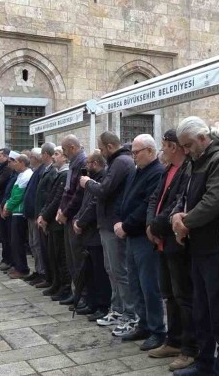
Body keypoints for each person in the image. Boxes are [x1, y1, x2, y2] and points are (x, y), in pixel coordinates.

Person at [172, 117, 219, 376]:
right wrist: (176, 216)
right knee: (201, 310)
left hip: (215, 247)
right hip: (198, 246)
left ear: (202, 138)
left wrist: (185, 222)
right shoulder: (195, 160)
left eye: (188, 145)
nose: (186, 151)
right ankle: (204, 363)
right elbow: (183, 195)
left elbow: (214, 200)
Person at [147, 129, 197, 372]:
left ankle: (189, 348)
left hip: (176, 243)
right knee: (169, 294)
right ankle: (174, 340)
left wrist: (156, 226)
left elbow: (178, 204)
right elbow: (154, 198)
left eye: (164, 145)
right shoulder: (167, 169)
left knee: (183, 297)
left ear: (173, 146)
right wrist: (150, 223)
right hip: (162, 242)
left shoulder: (186, 170)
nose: (162, 150)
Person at [80, 131, 137, 333]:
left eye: (102, 148)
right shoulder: (117, 162)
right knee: (111, 270)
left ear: (110, 146)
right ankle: (118, 309)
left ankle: (130, 314)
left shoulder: (121, 162)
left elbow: (105, 190)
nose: (101, 152)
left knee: (119, 271)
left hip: (114, 223)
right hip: (107, 223)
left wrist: (88, 183)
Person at [115, 134, 166, 349]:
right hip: (132, 235)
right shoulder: (138, 171)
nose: (133, 156)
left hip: (144, 237)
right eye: (132, 152)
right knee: (135, 282)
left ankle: (157, 329)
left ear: (150, 151)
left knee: (149, 285)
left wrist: (126, 225)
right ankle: (143, 323)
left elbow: (147, 205)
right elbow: (127, 199)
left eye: (137, 152)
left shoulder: (157, 172)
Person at [73, 151, 111, 319]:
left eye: (88, 163)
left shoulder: (101, 179)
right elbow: (84, 203)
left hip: (94, 232)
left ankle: (102, 306)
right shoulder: (89, 179)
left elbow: (95, 204)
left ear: (95, 163)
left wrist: (80, 222)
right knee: (89, 271)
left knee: (99, 273)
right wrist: (77, 219)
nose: (86, 166)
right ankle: (91, 302)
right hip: (87, 232)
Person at [57, 135, 87, 306]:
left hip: (75, 216)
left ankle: (84, 295)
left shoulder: (82, 163)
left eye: (64, 149)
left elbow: (78, 193)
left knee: (78, 259)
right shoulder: (74, 163)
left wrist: (66, 212)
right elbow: (67, 191)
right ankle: (77, 293)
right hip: (68, 216)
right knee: (71, 259)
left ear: (72, 147)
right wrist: (61, 210)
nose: (64, 153)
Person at [39, 146, 71, 299]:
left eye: (57, 154)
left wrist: (45, 216)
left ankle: (65, 287)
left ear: (65, 157)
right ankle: (56, 283)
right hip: (51, 221)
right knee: (53, 255)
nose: (53, 157)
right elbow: (49, 198)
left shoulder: (65, 174)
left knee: (60, 256)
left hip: (57, 222)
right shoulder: (59, 173)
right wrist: (43, 214)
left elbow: (58, 199)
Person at [1, 152, 33, 278]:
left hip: (19, 212)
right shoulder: (21, 174)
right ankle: (18, 266)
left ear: (22, 163)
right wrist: (7, 205)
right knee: (14, 242)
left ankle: (22, 269)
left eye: (16, 162)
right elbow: (13, 193)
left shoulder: (27, 175)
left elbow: (18, 196)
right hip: (15, 211)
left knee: (18, 242)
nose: (14, 164)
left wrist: (8, 207)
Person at [23, 146, 51, 285]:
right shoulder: (37, 171)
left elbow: (41, 195)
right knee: (33, 244)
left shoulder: (42, 171)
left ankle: (42, 272)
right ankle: (38, 270)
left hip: (36, 215)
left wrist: (39, 214)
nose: (30, 160)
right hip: (31, 214)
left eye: (31, 158)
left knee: (38, 244)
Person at [33, 142, 57, 289]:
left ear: (45, 154)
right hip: (41, 214)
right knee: (43, 248)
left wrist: (44, 215)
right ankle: (48, 278)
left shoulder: (52, 171)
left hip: (46, 217)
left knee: (48, 250)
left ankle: (51, 279)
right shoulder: (46, 170)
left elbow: (49, 196)